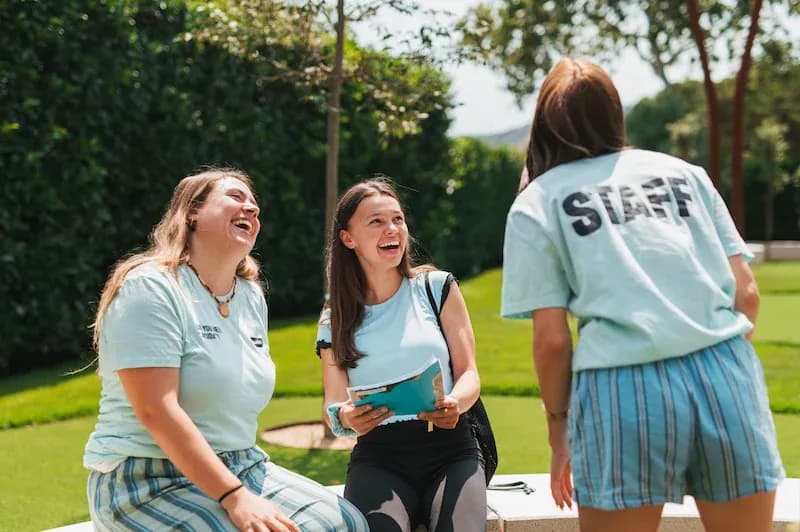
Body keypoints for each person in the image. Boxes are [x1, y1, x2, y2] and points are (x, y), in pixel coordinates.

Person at [501, 58, 784, 532]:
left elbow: (551, 342)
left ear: (544, 121)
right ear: (615, 114)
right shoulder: (685, 173)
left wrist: (558, 430)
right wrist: (721, 371)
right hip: (724, 367)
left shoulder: (537, 201)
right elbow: (746, 293)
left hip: (620, 388)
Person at [83, 168, 368, 532]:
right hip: (145, 478)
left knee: (346, 522)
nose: (251, 208)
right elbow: (156, 410)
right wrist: (234, 496)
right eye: (235, 197)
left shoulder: (249, 295)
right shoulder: (150, 287)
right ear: (192, 213)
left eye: (254, 205)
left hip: (243, 464)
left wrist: (239, 486)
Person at [316, 178, 487, 531]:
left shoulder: (437, 288)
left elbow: (469, 373)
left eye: (397, 219)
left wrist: (455, 401)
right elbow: (332, 405)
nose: (391, 229)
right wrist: (347, 417)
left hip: (452, 450)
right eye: (376, 222)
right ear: (348, 238)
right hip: (378, 458)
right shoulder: (334, 316)